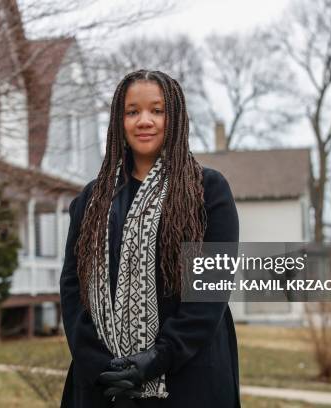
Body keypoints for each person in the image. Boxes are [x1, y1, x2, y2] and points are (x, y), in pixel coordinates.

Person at [60, 70, 240, 408]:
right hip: (105, 385)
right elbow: (72, 288)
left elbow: (209, 291)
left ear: (175, 118)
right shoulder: (91, 200)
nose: (145, 121)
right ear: (119, 120)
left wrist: (155, 359)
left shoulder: (208, 191)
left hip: (187, 377)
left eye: (157, 110)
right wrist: (98, 365)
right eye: (133, 111)